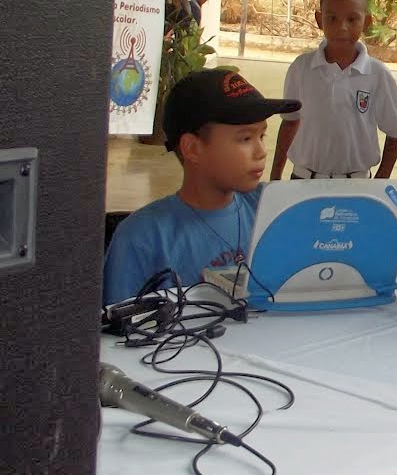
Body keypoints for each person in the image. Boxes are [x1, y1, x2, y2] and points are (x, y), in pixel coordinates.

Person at [102, 68, 299, 305]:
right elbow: (117, 332)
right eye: (245, 138)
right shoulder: (142, 238)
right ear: (193, 149)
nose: (260, 152)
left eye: (262, 136)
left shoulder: (274, 210)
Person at [271, 0, 397, 181]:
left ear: (366, 21)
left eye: (352, 19)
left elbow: (396, 131)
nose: (342, 27)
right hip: (303, 179)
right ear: (319, 19)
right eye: (332, 18)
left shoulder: (377, 75)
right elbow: (290, 122)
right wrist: (274, 177)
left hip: (357, 183)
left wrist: (380, 180)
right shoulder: (301, 69)